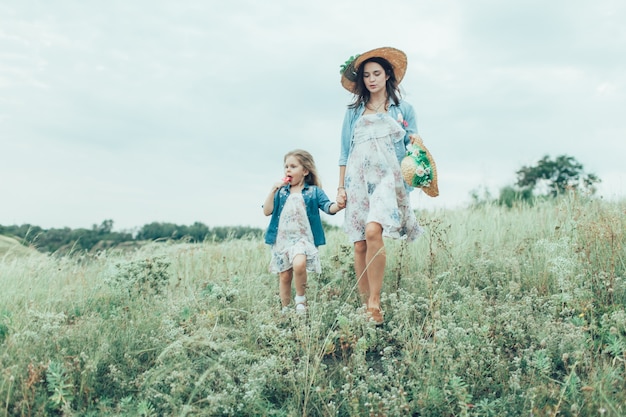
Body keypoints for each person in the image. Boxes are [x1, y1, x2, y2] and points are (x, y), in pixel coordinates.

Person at [336, 47, 423, 324]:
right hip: (358, 179)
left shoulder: (403, 109)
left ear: (387, 75)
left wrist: (417, 149)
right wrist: (341, 188)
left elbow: (413, 146)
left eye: (377, 73)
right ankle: (365, 307)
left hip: (388, 179)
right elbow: (344, 152)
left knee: (374, 230)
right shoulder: (353, 112)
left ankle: (375, 302)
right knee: (360, 244)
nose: (372, 79)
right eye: (367, 75)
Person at [264, 149, 343, 313]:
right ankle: (285, 310)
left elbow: (328, 207)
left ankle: (300, 300)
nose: (288, 170)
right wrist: (273, 190)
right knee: (284, 276)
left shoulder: (314, 192)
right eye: (286, 166)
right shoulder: (281, 192)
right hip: (282, 240)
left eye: (293, 166)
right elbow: (267, 211)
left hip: (303, 239)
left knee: (299, 264)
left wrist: (339, 205)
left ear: (305, 171)